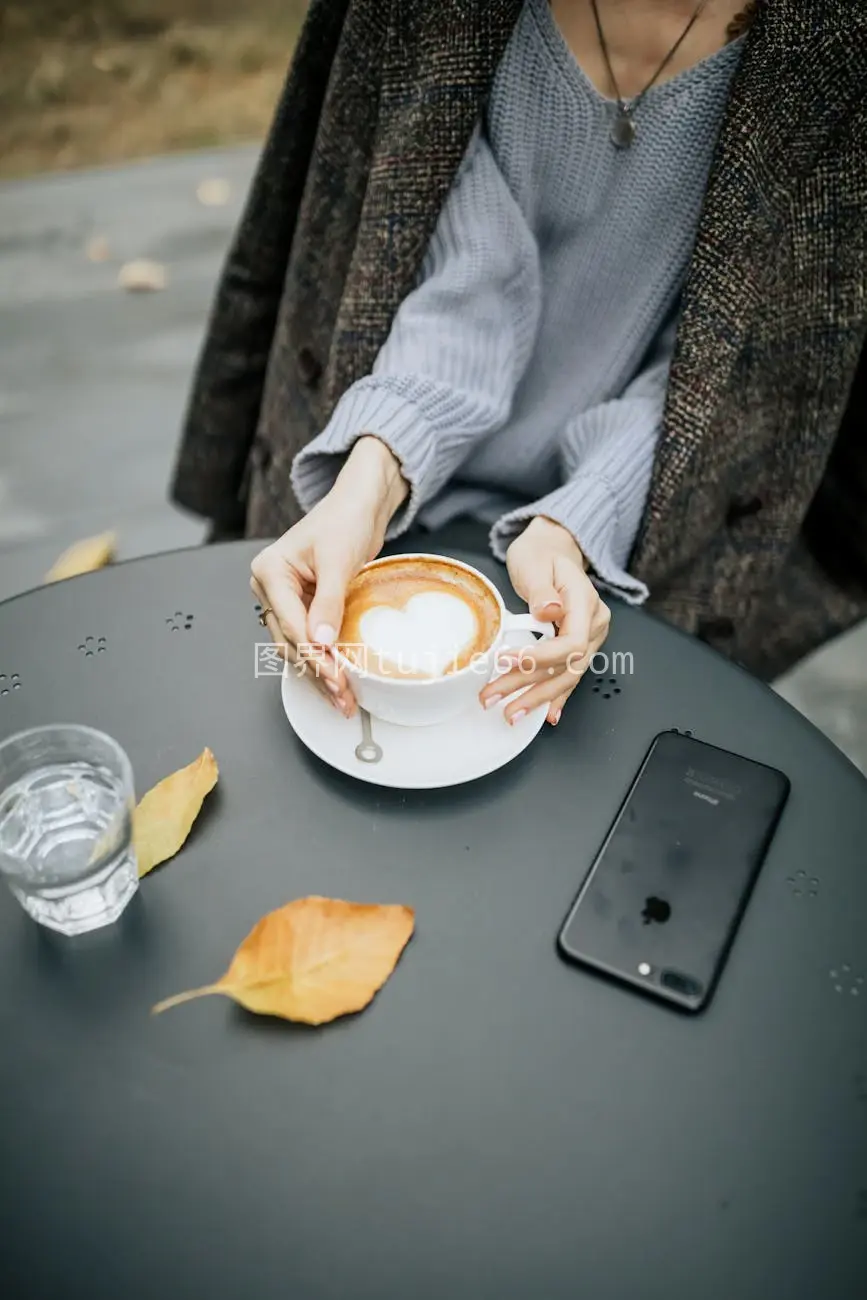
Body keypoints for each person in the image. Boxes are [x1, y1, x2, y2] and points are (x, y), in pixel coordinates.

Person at [171, 0, 867, 725]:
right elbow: (460, 275)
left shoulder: (837, 44)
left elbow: (732, 369)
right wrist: (369, 478)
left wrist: (581, 522)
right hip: (362, 469)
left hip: (630, 551)